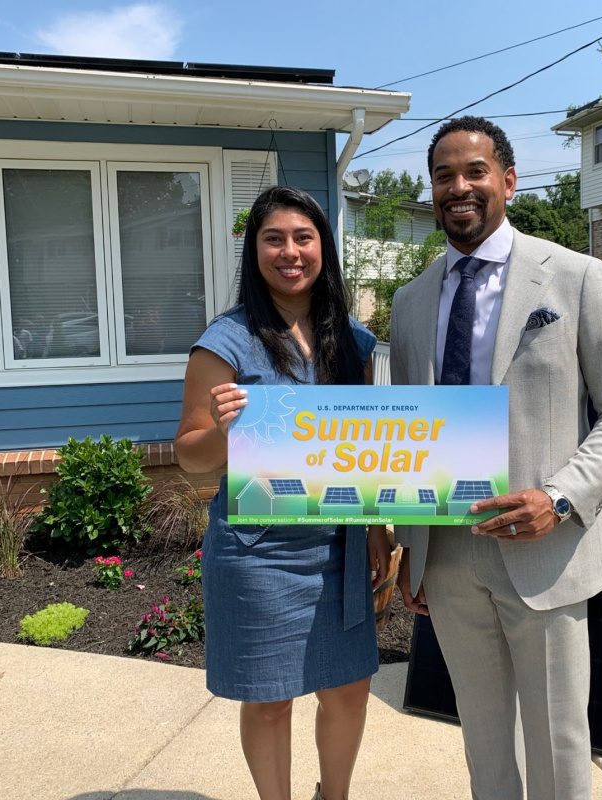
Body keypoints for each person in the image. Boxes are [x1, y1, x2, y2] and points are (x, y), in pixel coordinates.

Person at [390, 117, 602, 800]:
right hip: (446, 553)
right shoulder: (412, 301)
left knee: (558, 740)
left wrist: (562, 497)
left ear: (508, 180)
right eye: (444, 175)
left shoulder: (575, 276)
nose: (459, 186)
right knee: (482, 737)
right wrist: (407, 547)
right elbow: (407, 430)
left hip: (546, 547)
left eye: (474, 170)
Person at [175, 185, 390, 800]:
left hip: (340, 547)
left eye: (304, 237)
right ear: (255, 251)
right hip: (259, 551)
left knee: (349, 689)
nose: (289, 251)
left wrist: (376, 527)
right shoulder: (227, 340)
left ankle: (335, 796)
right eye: (274, 238)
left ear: (323, 247)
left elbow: (366, 450)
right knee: (269, 701)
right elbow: (189, 456)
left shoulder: (355, 340)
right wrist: (224, 432)